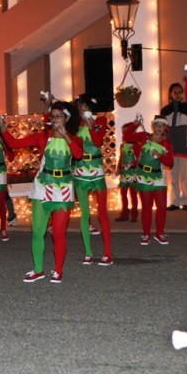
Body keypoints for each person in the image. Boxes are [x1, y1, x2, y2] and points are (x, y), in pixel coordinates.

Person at [0, 101, 83, 283]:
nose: (55, 119)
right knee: (37, 232)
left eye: (59, 116)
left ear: (67, 118)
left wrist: (66, 136)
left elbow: (78, 154)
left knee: (58, 233)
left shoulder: (74, 139)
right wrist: (3, 129)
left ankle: (58, 270)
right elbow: (14, 143)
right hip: (42, 187)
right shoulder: (42, 137)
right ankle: (38, 270)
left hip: (63, 190)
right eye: (53, 116)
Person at [72, 94, 113, 266]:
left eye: (85, 107)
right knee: (85, 214)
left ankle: (108, 253)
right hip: (80, 172)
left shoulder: (100, 121)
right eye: (80, 107)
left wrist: (90, 123)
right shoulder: (75, 124)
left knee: (102, 213)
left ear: (90, 107)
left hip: (96, 173)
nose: (82, 110)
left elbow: (97, 141)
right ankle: (88, 253)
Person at [123, 115, 174, 245]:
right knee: (146, 207)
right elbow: (127, 136)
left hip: (159, 178)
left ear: (165, 128)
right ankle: (146, 234)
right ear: (152, 126)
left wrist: (160, 155)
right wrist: (135, 124)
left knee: (161, 207)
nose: (159, 127)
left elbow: (170, 163)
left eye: (162, 125)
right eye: (157, 125)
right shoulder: (144, 137)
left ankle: (159, 233)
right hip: (143, 176)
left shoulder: (167, 144)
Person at [160, 82, 187, 211]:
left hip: (185, 148)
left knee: (185, 177)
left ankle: (186, 201)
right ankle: (175, 202)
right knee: (173, 178)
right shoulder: (165, 111)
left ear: (183, 93)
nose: (178, 95)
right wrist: (162, 148)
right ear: (170, 94)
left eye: (180, 92)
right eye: (175, 92)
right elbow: (161, 130)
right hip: (171, 149)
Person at [115, 119, 141, 222]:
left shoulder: (137, 145)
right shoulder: (122, 145)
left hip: (133, 172)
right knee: (123, 193)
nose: (124, 134)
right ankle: (124, 212)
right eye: (123, 132)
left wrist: (133, 164)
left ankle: (134, 213)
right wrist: (118, 168)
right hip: (124, 173)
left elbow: (139, 159)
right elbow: (121, 158)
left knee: (133, 194)